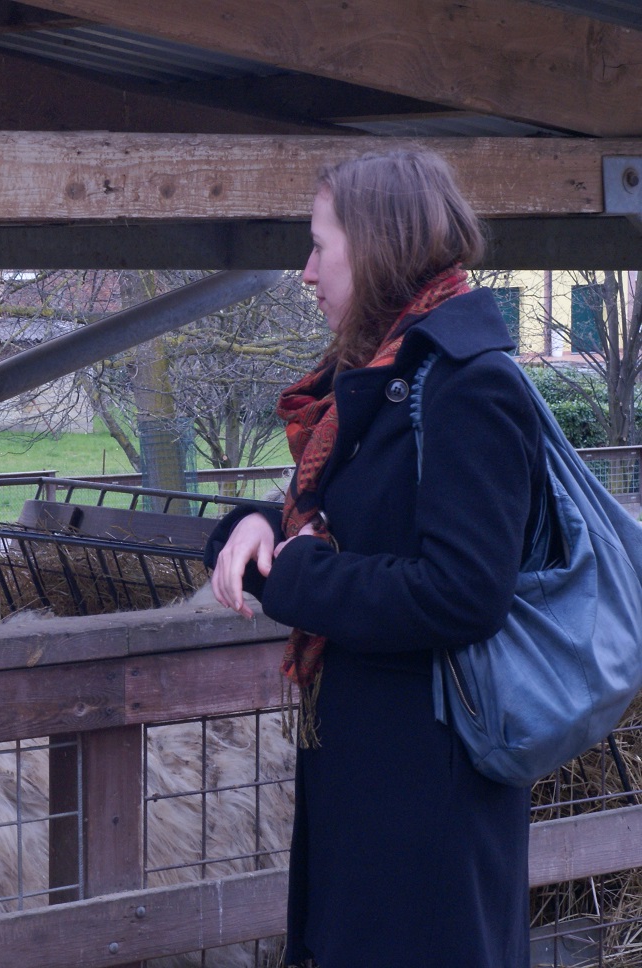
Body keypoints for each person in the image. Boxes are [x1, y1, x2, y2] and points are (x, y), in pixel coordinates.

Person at [203, 149, 544, 967]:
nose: (306, 271)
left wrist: (296, 574)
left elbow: (464, 592)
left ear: (379, 242)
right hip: (371, 774)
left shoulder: (469, 384)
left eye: (321, 246)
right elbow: (352, 523)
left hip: (430, 788)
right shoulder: (379, 372)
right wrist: (252, 528)